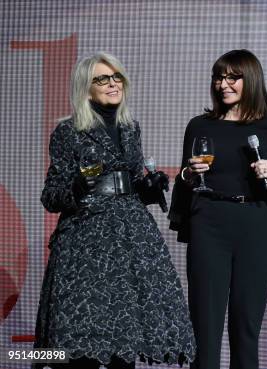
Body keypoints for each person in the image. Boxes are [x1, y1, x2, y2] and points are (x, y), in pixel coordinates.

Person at [35, 52, 195, 369]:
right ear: (86, 87)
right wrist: (76, 189)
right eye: (102, 78)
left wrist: (149, 188)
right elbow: (51, 195)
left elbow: (134, 180)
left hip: (131, 240)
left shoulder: (130, 128)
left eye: (116, 76)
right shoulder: (68, 132)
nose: (112, 83)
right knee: (83, 339)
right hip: (86, 245)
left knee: (127, 336)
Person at [168, 49, 267, 369]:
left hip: (255, 224)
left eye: (232, 78)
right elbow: (186, 182)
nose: (222, 84)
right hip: (209, 223)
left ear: (250, 80)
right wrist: (187, 173)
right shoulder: (200, 125)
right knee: (204, 326)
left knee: (246, 327)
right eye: (218, 77)